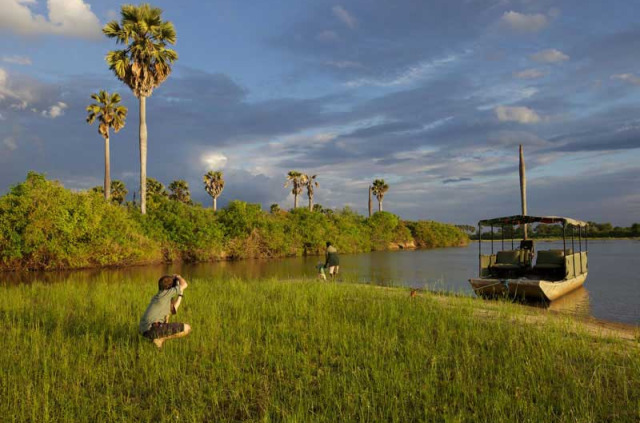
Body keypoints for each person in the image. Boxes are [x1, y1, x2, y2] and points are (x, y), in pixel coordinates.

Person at [139, 274, 191, 348]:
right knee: (187, 328)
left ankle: (157, 339)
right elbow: (185, 284)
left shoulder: (161, 296)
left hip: (145, 329)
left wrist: (180, 295)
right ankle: (160, 339)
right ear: (169, 288)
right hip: (151, 329)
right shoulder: (165, 294)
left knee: (166, 320)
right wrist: (178, 277)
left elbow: (174, 310)